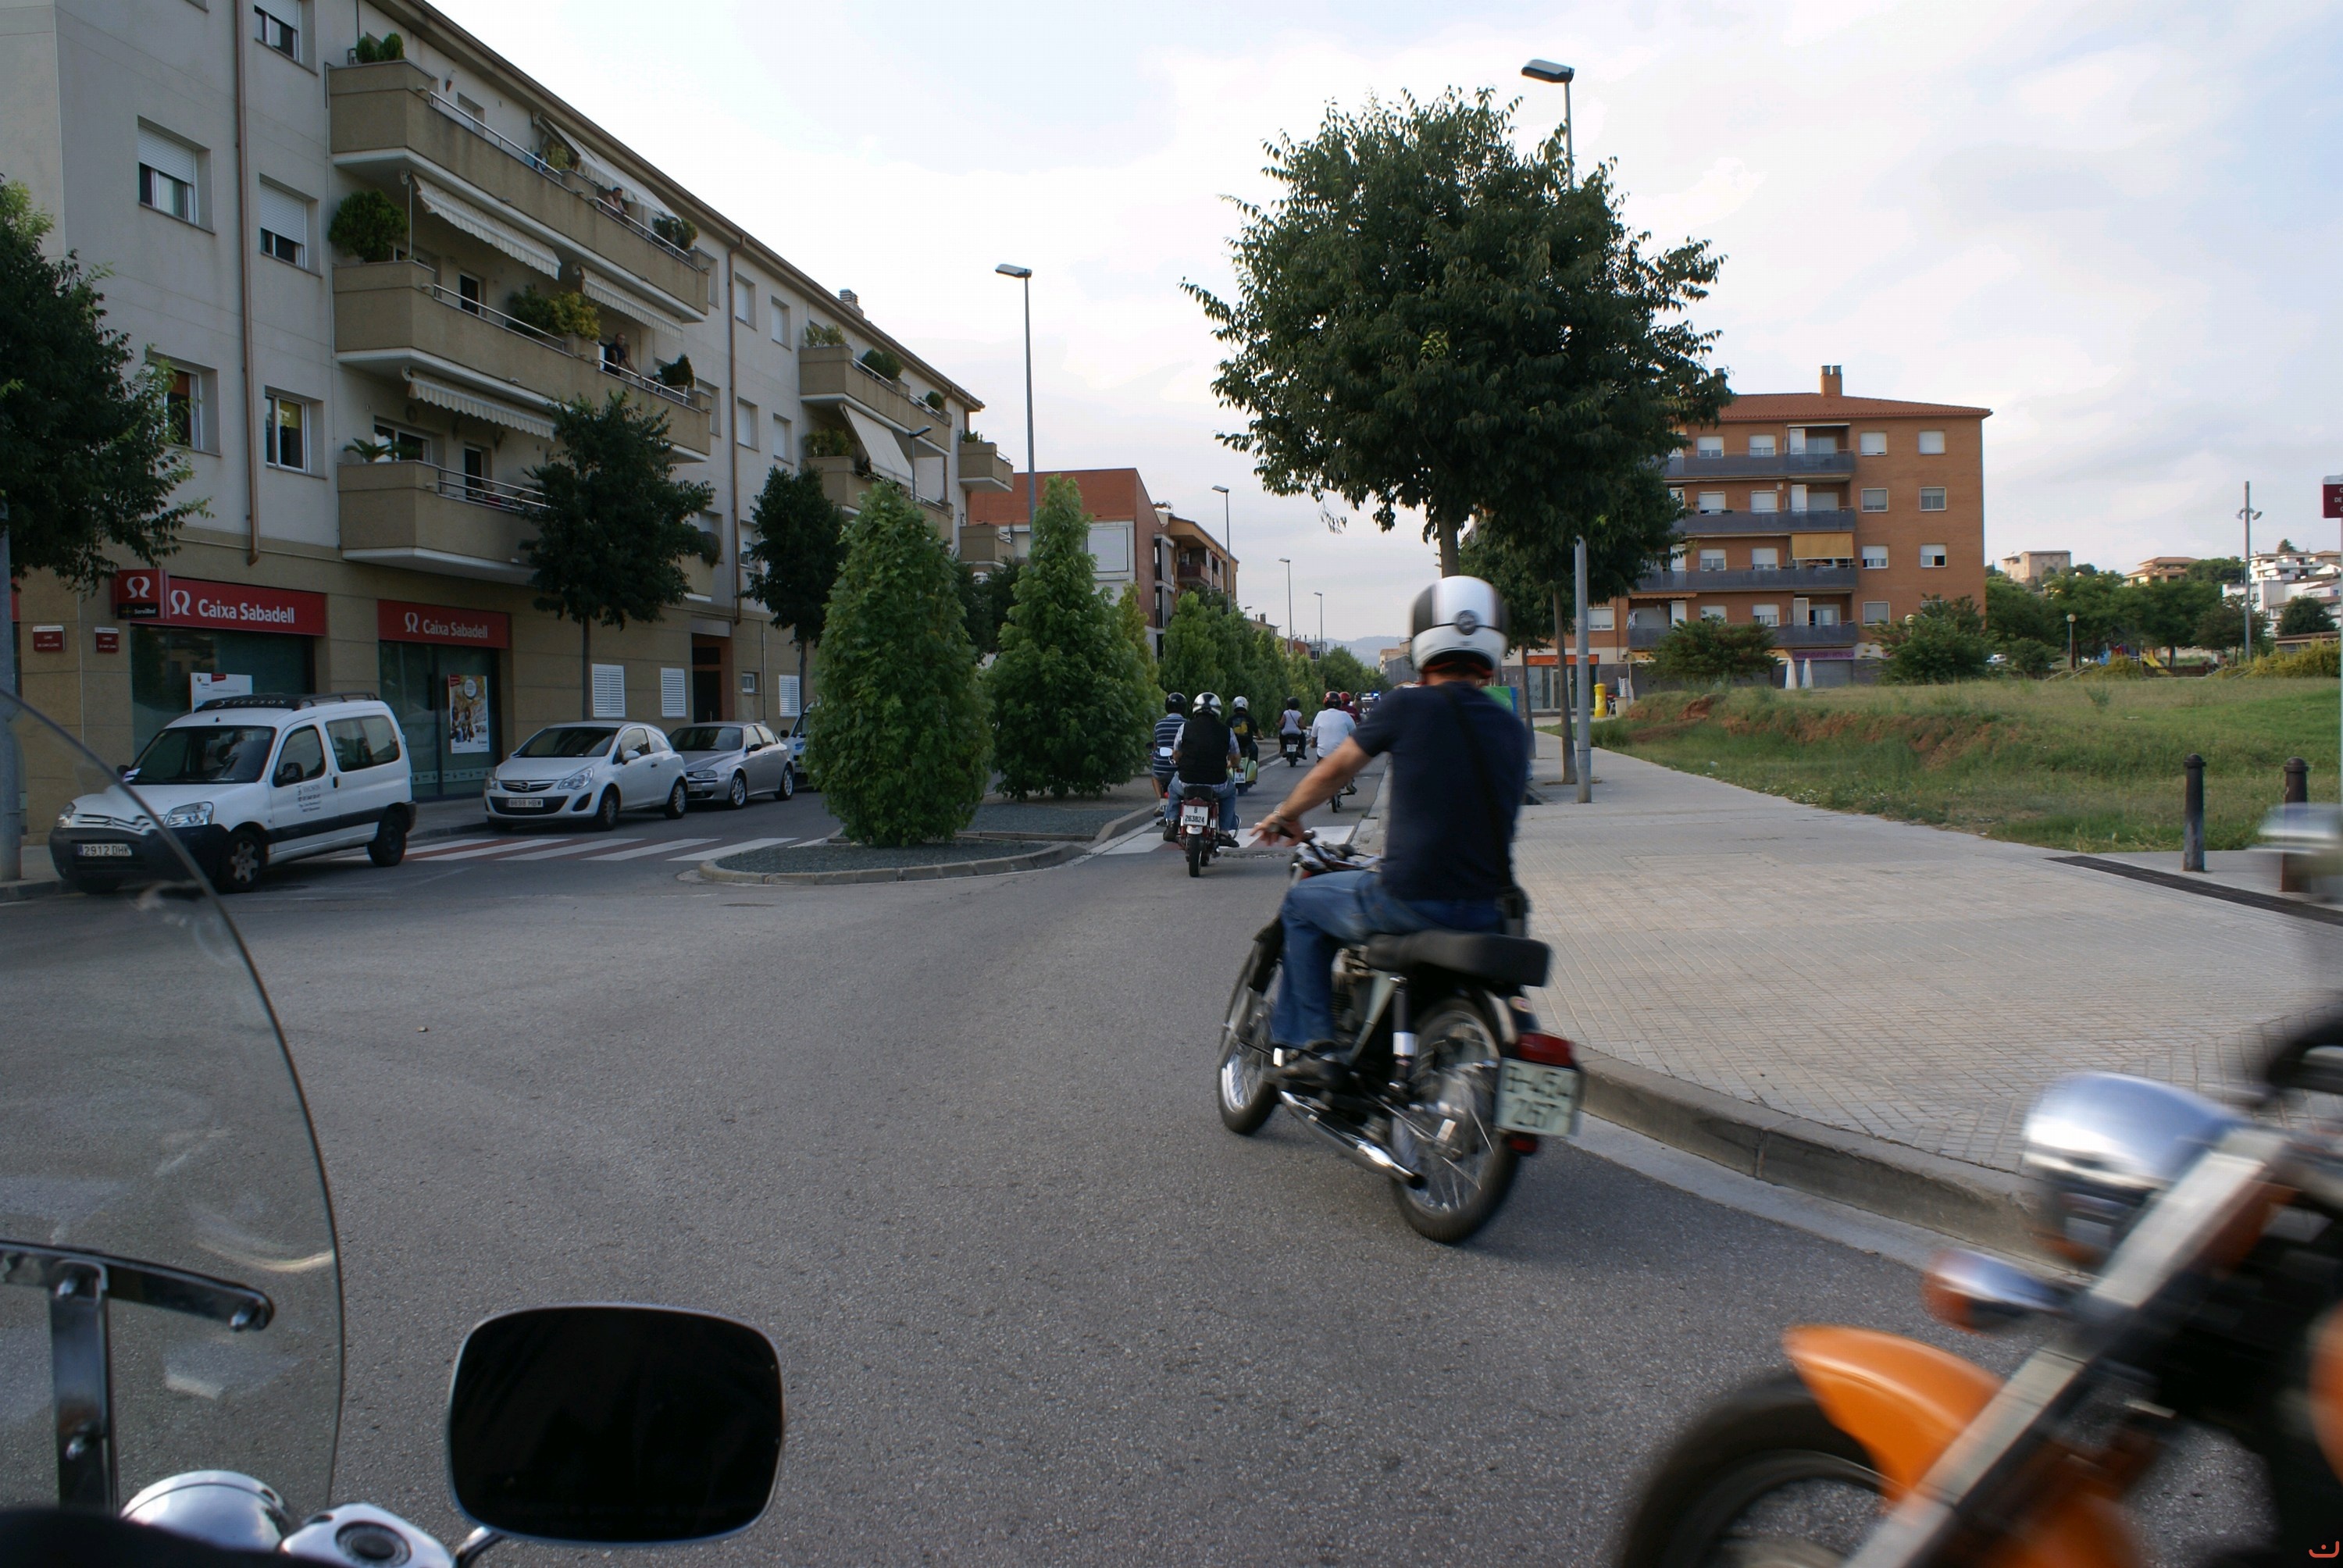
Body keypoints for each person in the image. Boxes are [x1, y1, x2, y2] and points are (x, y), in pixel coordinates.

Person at [1252, 576, 1527, 1086]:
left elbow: (1335, 771)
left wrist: (1285, 814)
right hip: (1488, 909)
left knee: (1302, 906)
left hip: (1411, 898)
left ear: (1424, 641)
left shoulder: (1405, 705)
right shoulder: (1512, 728)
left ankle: (1314, 1046)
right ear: (1493, 645)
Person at [1168, 691, 1241, 844]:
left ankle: (1173, 822)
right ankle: (1224, 832)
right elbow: (1235, 758)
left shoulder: (1185, 727)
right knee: (1231, 792)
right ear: (1217, 709)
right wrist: (1230, 765)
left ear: (1196, 708)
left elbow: (1176, 753)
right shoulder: (1227, 731)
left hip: (1186, 782)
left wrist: (1180, 761)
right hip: (1217, 784)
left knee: (1173, 788)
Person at [1151, 692, 1186, 840]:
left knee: (1154, 774)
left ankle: (1160, 801)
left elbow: (1156, 746)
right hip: (1179, 768)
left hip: (1162, 768)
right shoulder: (1187, 724)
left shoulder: (1159, 725)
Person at [1308, 694, 1356, 763]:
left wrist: (1313, 744)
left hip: (1323, 755)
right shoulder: (1345, 715)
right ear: (1339, 703)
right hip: (1342, 755)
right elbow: (1354, 734)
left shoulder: (1320, 715)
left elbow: (1314, 736)